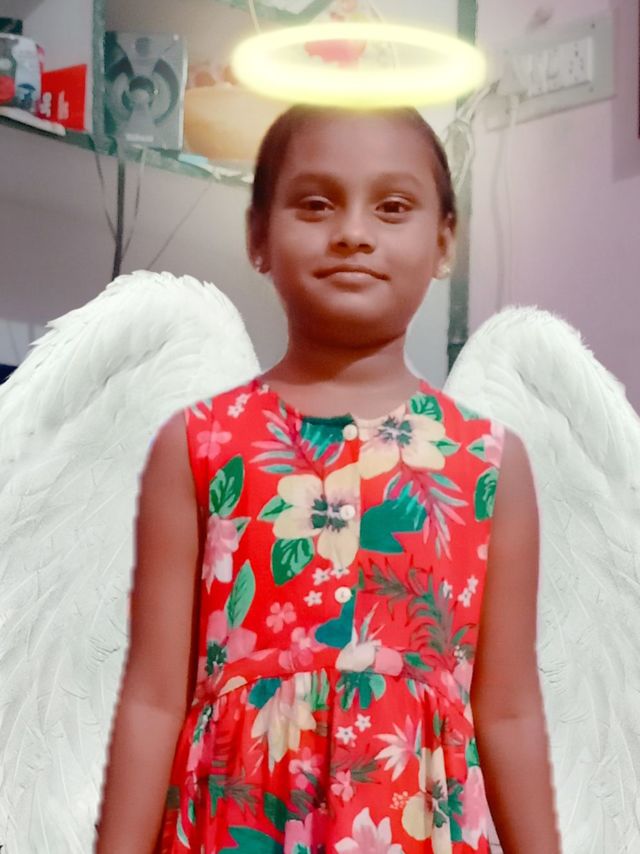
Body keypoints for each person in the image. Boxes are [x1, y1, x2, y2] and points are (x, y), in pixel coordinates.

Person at [96, 104, 561, 854]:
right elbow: (153, 698)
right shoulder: (201, 444)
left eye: (393, 206)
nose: (352, 231)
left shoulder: (487, 463)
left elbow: (508, 711)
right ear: (257, 235)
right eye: (315, 204)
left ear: (445, 241)